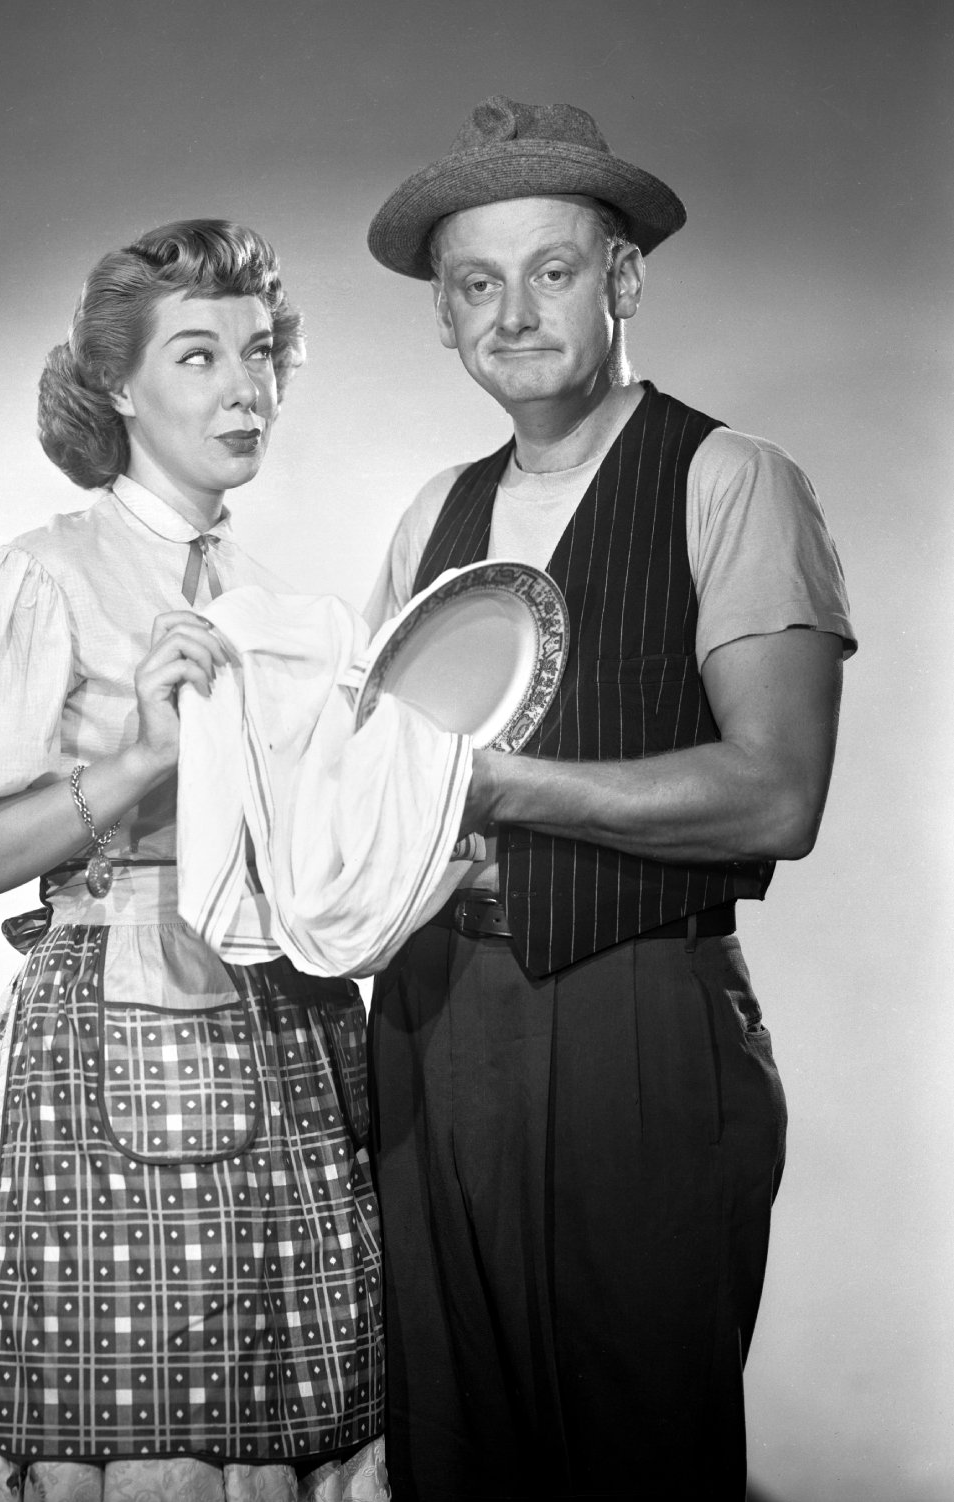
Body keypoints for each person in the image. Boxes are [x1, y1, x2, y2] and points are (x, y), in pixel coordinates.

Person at [363, 97, 855, 1501]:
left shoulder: (730, 477)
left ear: (622, 278)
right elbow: (373, 783)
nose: (512, 313)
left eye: (551, 270)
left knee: (637, 1451)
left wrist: (499, 787)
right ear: (444, 318)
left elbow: (776, 794)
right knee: (450, 1448)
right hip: (432, 1011)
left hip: (634, 1011)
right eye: (476, 284)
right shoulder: (431, 514)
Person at [0, 220, 387, 1502]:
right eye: (198, 355)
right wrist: (145, 759)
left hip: (292, 1037)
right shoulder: (43, 577)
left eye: (260, 354)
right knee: (130, 1417)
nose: (245, 389)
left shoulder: (278, 605)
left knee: (296, 1405)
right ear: (118, 384)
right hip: (117, 1032)